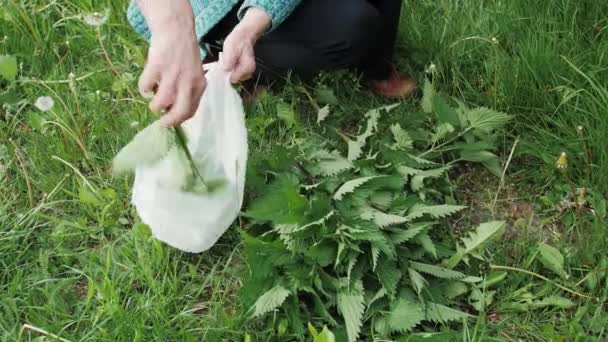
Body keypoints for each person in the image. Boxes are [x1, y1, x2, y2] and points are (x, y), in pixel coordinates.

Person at [127, 0, 417, 126]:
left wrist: (253, 22)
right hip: (211, 6)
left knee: (365, 26)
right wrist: (175, 29)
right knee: (354, 28)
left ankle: (375, 66)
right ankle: (228, 60)